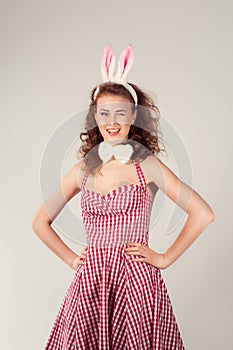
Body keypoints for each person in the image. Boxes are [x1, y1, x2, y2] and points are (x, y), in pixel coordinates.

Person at [32, 45, 215, 350]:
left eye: (120, 113)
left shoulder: (147, 165)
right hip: (92, 284)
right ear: (95, 118)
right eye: (104, 113)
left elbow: (202, 213)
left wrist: (164, 258)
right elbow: (40, 221)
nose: (112, 121)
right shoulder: (83, 170)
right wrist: (72, 259)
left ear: (134, 116)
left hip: (136, 283)